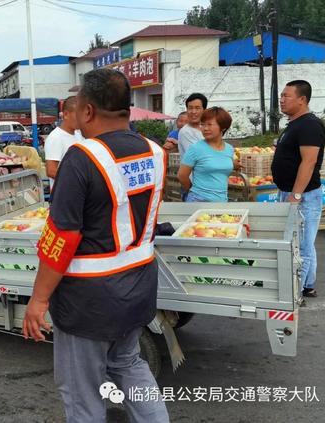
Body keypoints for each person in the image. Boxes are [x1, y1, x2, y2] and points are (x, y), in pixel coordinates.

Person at [23, 69, 169, 423]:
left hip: (89, 301)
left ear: (86, 111)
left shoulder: (82, 157)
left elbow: (62, 236)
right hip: (138, 286)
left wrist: (39, 299)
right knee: (130, 366)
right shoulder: (156, 152)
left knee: (82, 391)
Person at [271, 80, 325, 298]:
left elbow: (309, 162)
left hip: (303, 196)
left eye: (286, 96)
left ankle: (294, 294)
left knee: (300, 246)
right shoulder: (294, 124)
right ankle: (307, 284)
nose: (281, 100)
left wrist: (296, 194)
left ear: (302, 99)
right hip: (290, 191)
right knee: (305, 241)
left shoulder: (310, 125)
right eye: (281, 96)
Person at [177, 107, 237, 202]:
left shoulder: (229, 149)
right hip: (199, 200)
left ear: (223, 127)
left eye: (209, 124)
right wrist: (195, 191)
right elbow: (182, 175)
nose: (205, 128)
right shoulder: (196, 148)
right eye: (202, 124)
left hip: (222, 200)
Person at [44, 96, 83, 188]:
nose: (81, 119)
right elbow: (51, 170)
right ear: (65, 114)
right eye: (78, 116)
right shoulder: (56, 137)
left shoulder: (78, 135)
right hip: (65, 196)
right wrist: (78, 181)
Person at [177, 93, 208, 159]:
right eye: (190, 108)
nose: (193, 112)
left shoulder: (207, 129)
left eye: (197, 108)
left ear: (204, 110)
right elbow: (197, 156)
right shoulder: (186, 132)